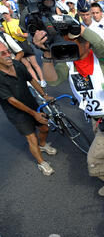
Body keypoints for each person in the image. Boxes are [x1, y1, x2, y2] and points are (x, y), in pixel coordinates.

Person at [33, 24, 104, 196]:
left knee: (94, 160)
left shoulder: (103, 59)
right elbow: (52, 81)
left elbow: (99, 43)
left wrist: (79, 28)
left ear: (86, 44)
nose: (68, 47)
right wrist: (47, 55)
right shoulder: (69, 63)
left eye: (73, 43)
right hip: (93, 117)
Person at [0, 43, 56, 176]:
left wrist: (44, 95)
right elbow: (11, 100)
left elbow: (31, 79)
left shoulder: (17, 64)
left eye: (8, 51)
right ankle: (41, 163)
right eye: (3, 53)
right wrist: (34, 114)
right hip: (17, 112)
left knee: (45, 128)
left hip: (31, 104)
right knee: (31, 138)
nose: (9, 55)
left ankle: (42, 145)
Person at [1, 9, 46, 87]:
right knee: (27, 65)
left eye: (6, 14)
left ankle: (42, 80)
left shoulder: (17, 21)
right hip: (16, 46)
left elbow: (26, 34)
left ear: (9, 14)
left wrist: (21, 35)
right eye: (3, 14)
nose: (5, 16)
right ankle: (36, 81)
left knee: (34, 64)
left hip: (24, 43)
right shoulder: (3, 24)